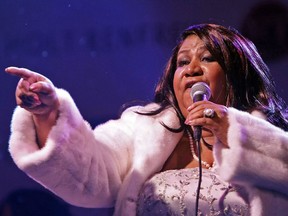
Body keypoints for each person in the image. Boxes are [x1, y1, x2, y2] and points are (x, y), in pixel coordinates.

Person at [5, 23, 288, 216]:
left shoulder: (272, 139)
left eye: (208, 58)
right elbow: (88, 175)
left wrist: (232, 130)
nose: (191, 69)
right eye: (182, 62)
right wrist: (48, 114)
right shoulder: (143, 130)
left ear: (237, 76)